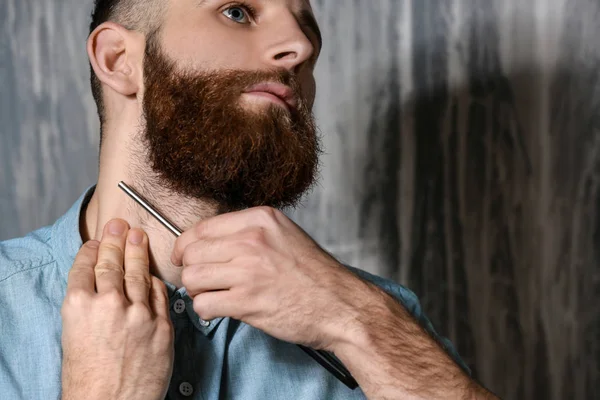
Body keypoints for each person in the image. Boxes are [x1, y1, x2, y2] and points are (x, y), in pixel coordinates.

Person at [0, 0, 498, 399]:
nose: (300, 47)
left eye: (309, 33)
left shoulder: (379, 321)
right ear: (119, 60)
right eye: (237, 12)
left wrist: (356, 320)